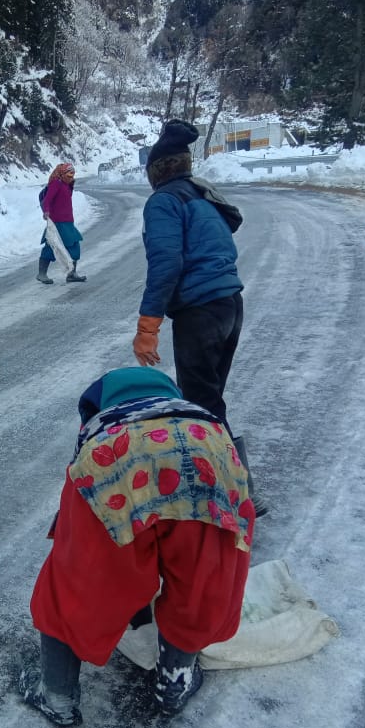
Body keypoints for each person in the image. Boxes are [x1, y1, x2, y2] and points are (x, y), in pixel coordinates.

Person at [20, 367, 255, 726]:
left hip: (117, 458)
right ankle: (174, 683)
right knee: (201, 579)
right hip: (205, 454)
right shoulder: (199, 418)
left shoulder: (103, 427)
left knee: (73, 584)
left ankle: (57, 696)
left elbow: (89, 545)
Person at [130, 119, 266, 516]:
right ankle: (222, 478)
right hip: (229, 305)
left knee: (202, 403)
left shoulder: (164, 202)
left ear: (157, 170)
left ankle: (239, 492)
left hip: (199, 312)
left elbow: (166, 262)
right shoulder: (201, 196)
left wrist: (147, 325)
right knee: (208, 400)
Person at [37, 163, 86, 284]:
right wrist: (46, 211)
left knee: (74, 246)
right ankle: (42, 273)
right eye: (69, 173)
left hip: (68, 222)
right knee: (52, 246)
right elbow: (47, 199)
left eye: (73, 174)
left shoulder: (66, 185)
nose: (71, 176)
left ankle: (72, 273)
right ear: (62, 173)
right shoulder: (56, 184)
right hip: (57, 223)